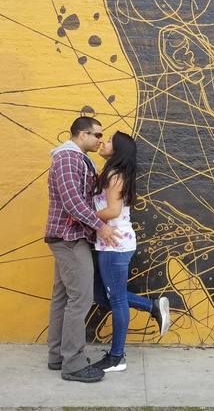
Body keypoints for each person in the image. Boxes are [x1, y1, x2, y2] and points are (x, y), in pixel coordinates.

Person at [45, 116, 120, 383]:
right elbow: (72, 202)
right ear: (81, 134)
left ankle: (57, 355)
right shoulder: (68, 158)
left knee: (63, 297)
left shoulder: (79, 159)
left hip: (70, 237)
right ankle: (73, 364)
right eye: (97, 135)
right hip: (69, 238)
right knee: (80, 299)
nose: (100, 140)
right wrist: (101, 226)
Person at [91, 131, 171, 373]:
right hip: (110, 243)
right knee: (102, 297)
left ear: (117, 151)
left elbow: (113, 211)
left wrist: (84, 216)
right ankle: (152, 306)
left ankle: (117, 357)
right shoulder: (114, 173)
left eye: (108, 141)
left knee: (115, 300)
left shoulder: (114, 175)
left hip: (115, 245)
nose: (102, 142)